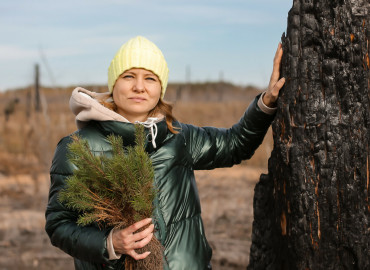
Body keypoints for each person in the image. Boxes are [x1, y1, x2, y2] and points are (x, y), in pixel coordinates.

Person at [45, 36, 285, 270]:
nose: (139, 87)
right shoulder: (78, 149)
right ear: (114, 83)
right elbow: (59, 225)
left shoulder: (179, 137)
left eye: (150, 78)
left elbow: (235, 144)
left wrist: (266, 102)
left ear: (160, 87)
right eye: (128, 76)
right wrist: (109, 242)